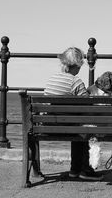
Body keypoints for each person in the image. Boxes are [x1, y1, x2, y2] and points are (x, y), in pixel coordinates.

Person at [44, 47, 103, 181]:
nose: (80, 68)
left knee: (76, 126)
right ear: (76, 65)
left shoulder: (51, 79)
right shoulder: (75, 82)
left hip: (49, 127)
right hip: (70, 127)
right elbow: (88, 106)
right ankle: (85, 170)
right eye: (80, 65)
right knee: (83, 128)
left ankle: (74, 170)